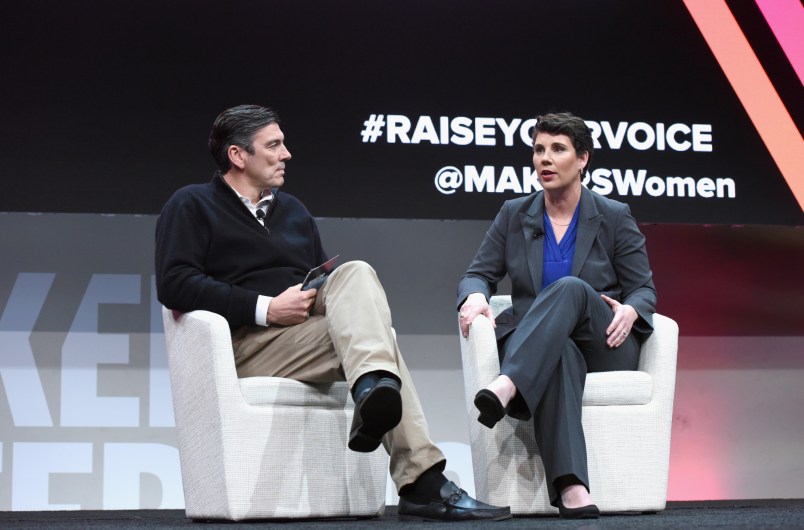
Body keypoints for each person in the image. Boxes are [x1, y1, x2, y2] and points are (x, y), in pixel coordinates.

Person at [155, 104, 510, 522]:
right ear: (238, 155)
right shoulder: (192, 205)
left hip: (301, 337)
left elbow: (329, 285)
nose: (286, 153)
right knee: (379, 348)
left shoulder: (293, 212)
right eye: (274, 145)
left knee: (355, 274)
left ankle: (374, 393)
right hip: (244, 345)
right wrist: (267, 308)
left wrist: (312, 294)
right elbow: (174, 283)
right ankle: (421, 481)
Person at [457, 112, 656, 520]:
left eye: (558, 150)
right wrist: (475, 297)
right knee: (560, 352)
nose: (544, 159)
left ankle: (509, 383)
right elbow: (477, 273)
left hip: (605, 341)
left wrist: (633, 308)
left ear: (583, 159)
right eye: (538, 150)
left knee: (569, 288)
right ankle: (570, 486)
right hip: (544, 341)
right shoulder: (515, 213)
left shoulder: (614, 215)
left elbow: (644, 288)